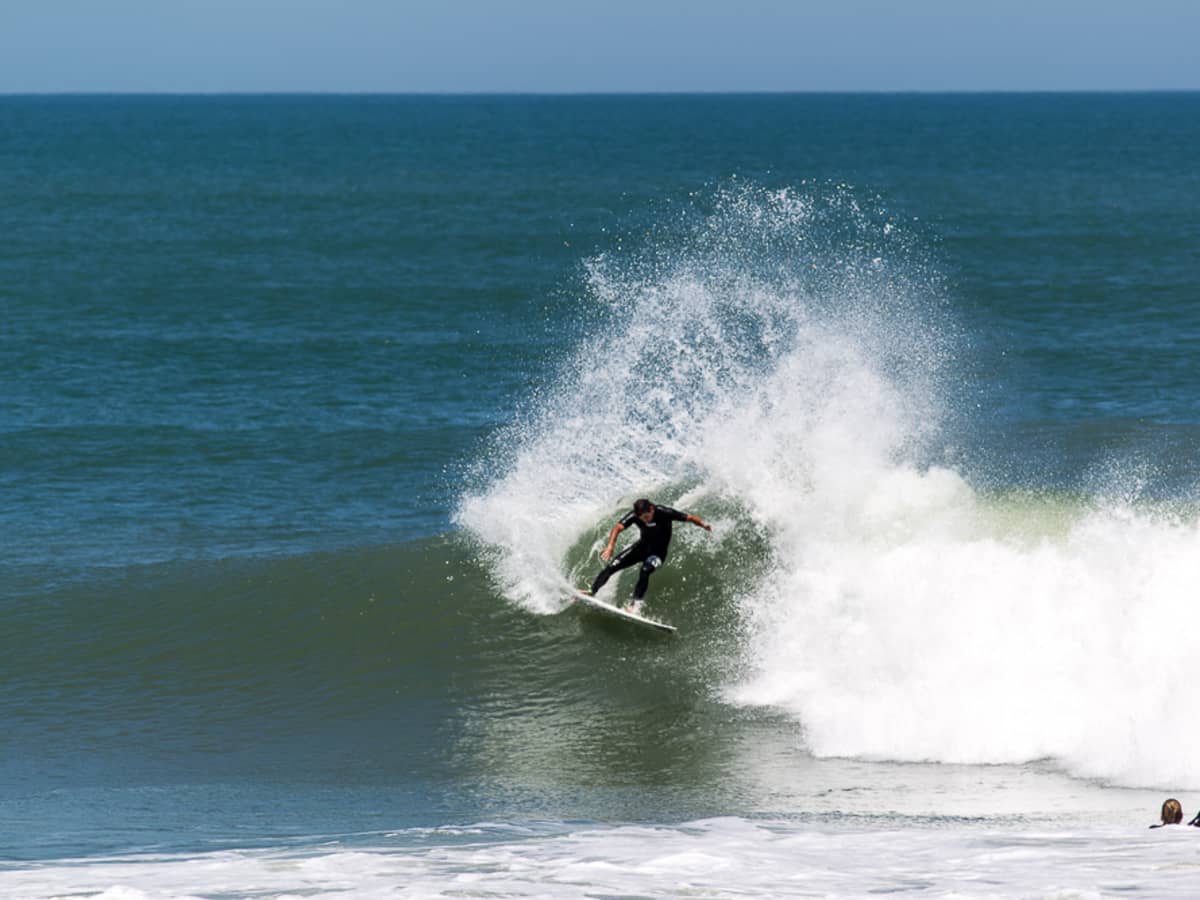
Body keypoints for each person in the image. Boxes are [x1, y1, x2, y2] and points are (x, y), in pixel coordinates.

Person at [585, 498, 712, 610]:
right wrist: (610, 546)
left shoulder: (664, 512)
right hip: (640, 549)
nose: (644, 520)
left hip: (658, 554)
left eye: (646, 517)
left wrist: (703, 525)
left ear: (651, 509)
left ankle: (635, 606)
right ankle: (592, 591)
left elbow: (689, 517)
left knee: (645, 570)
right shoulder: (635, 515)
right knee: (613, 566)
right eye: (641, 518)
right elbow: (617, 527)